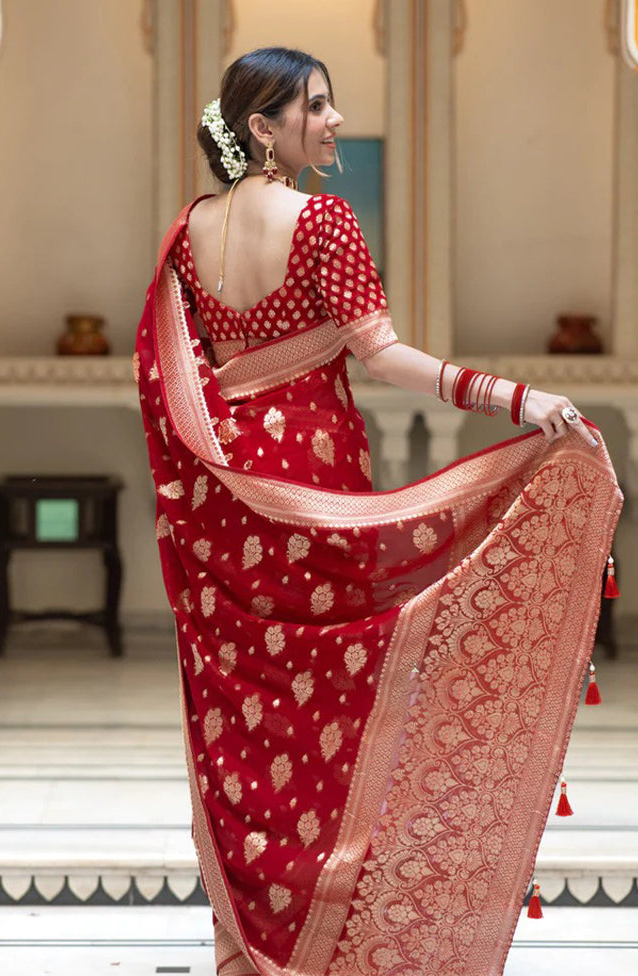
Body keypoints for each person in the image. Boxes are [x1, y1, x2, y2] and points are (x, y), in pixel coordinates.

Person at [134, 46, 622, 976]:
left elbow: (171, 384)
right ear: (261, 128)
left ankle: (250, 945)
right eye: (315, 107)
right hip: (316, 496)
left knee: (247, 722)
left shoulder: (188, 231)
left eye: (330, 103)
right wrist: (516, 399)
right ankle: (332, 940)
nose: (335, 121)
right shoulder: (323, 220)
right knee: (339, 707)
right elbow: (384, 355)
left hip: (232, 510)